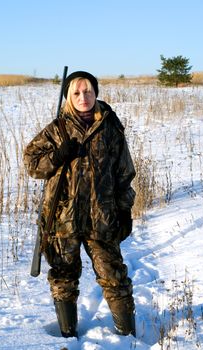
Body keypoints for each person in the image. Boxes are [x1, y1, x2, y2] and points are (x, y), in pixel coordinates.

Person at [23, 71, 136, 338]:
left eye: (87, 92)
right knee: (63, 277)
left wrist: (124, 208)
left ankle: (128, 336)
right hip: (63, 218)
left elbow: (124, 173)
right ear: (68, 97)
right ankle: (67, 333)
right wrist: (57, 155)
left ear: (96, 93)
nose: (83, 97)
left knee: (114, 276)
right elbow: (31, 163)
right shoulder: (57, 129)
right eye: (76, 93)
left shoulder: (111, 127)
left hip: (103, 217)